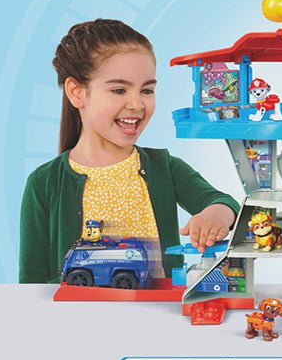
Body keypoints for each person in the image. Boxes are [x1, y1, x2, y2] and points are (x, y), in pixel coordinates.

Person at [19, 19, 240, 284]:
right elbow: (31, 284)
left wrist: (216, 215)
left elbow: (224, 202)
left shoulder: (165, 167)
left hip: (158, 307)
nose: (136, 104)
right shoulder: (44, 182)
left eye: (147, 90)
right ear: (77, 93)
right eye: (119, 90)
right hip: (80, 311)